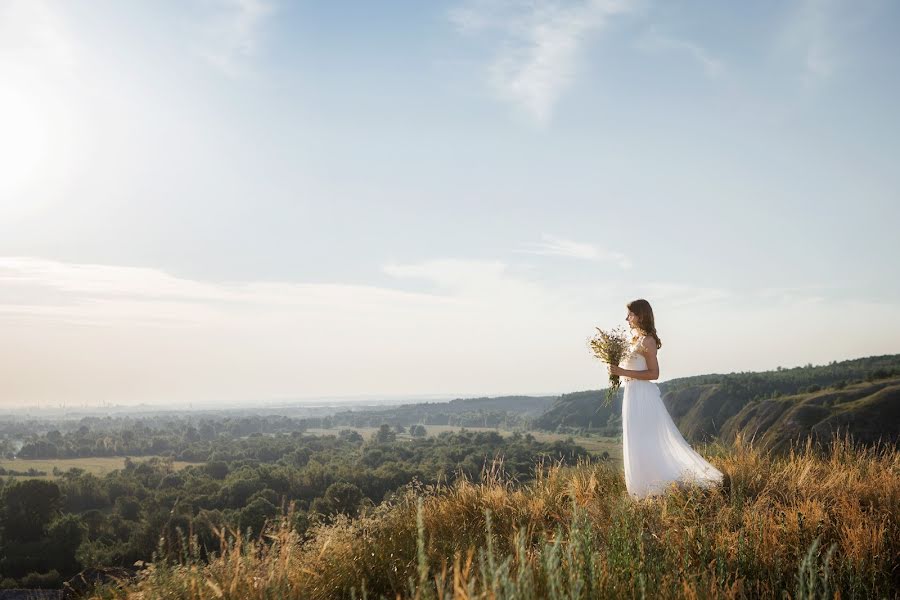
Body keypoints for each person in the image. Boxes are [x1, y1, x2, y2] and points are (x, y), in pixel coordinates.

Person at [605, 298, 724, 499]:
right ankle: (644, 486)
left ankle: (656, 486)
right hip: (631, 394)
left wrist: (621, 370)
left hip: (643, 396)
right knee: (635, 439)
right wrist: (614, 369)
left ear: (640, 315)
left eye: (630, 314)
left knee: (646, 439)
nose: (627, 318)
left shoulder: (648, 341)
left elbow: (654, 374)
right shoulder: (632, 338)